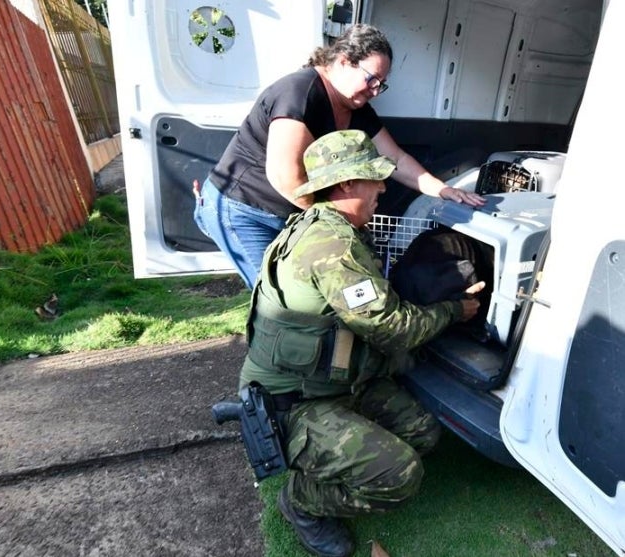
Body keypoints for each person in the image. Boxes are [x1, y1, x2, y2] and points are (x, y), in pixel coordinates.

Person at [238, 129, 485, 557]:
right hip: (294, 406)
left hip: (333, 386)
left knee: (422, 433)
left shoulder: (326, 227)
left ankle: (335, 462)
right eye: (375, 178)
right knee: (401, 475)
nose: (383, 188)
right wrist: (454, 311)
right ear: (347, 184)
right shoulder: (332, 247)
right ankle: (301, 502)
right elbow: (393, 329)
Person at [194, 23, 485, 289]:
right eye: (372, 79)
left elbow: (394, 157)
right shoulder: (300, 93)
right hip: (244, 208)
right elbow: (287, 177)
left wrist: (442, 189)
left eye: (381, 84)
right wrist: (340, 225)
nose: (375, 90)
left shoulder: (354, 108)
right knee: (277, 297)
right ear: (344, 61)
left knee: (308, 292)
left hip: (290, 211)